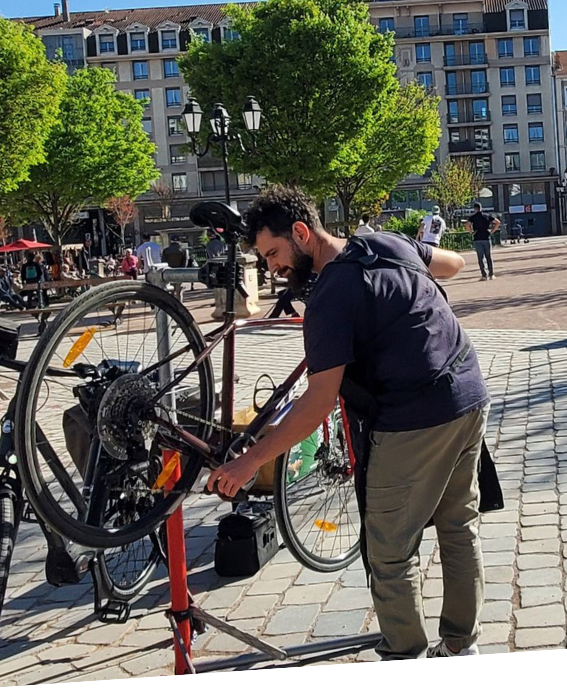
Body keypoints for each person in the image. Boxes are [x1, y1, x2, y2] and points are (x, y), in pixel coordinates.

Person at [206, 185, 491, 660]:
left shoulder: (330, 297)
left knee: (389, 552)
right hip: (468, 392)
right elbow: (454, 264)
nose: (272, 269)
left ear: (301, 233)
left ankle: (405, 652)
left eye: (273, 253)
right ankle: (461, 646)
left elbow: (317, 403)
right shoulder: (384, 242)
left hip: (413, 420)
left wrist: (247, 464)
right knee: (458, 527)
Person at [465, 203, 500, 280]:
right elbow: (497, 222)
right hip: (486, 237)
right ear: (481, 208)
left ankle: (484, 275)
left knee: (480, 258)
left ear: (475, 209)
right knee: (488, 257)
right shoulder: (487, 216)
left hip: (477, 238)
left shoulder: (473, 217)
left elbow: (467, 225)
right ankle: (491, 274)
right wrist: (492, 231)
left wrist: (471, 232)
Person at [162, 235, 194, 301]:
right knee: (179, 291)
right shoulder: (184, 250)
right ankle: (179, 305)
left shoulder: (166, 251)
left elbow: (163, 263)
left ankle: (172, 306)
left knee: (171, 291)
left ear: (171, 241)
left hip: (169, 272)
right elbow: (185, 263)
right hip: (179, 272)